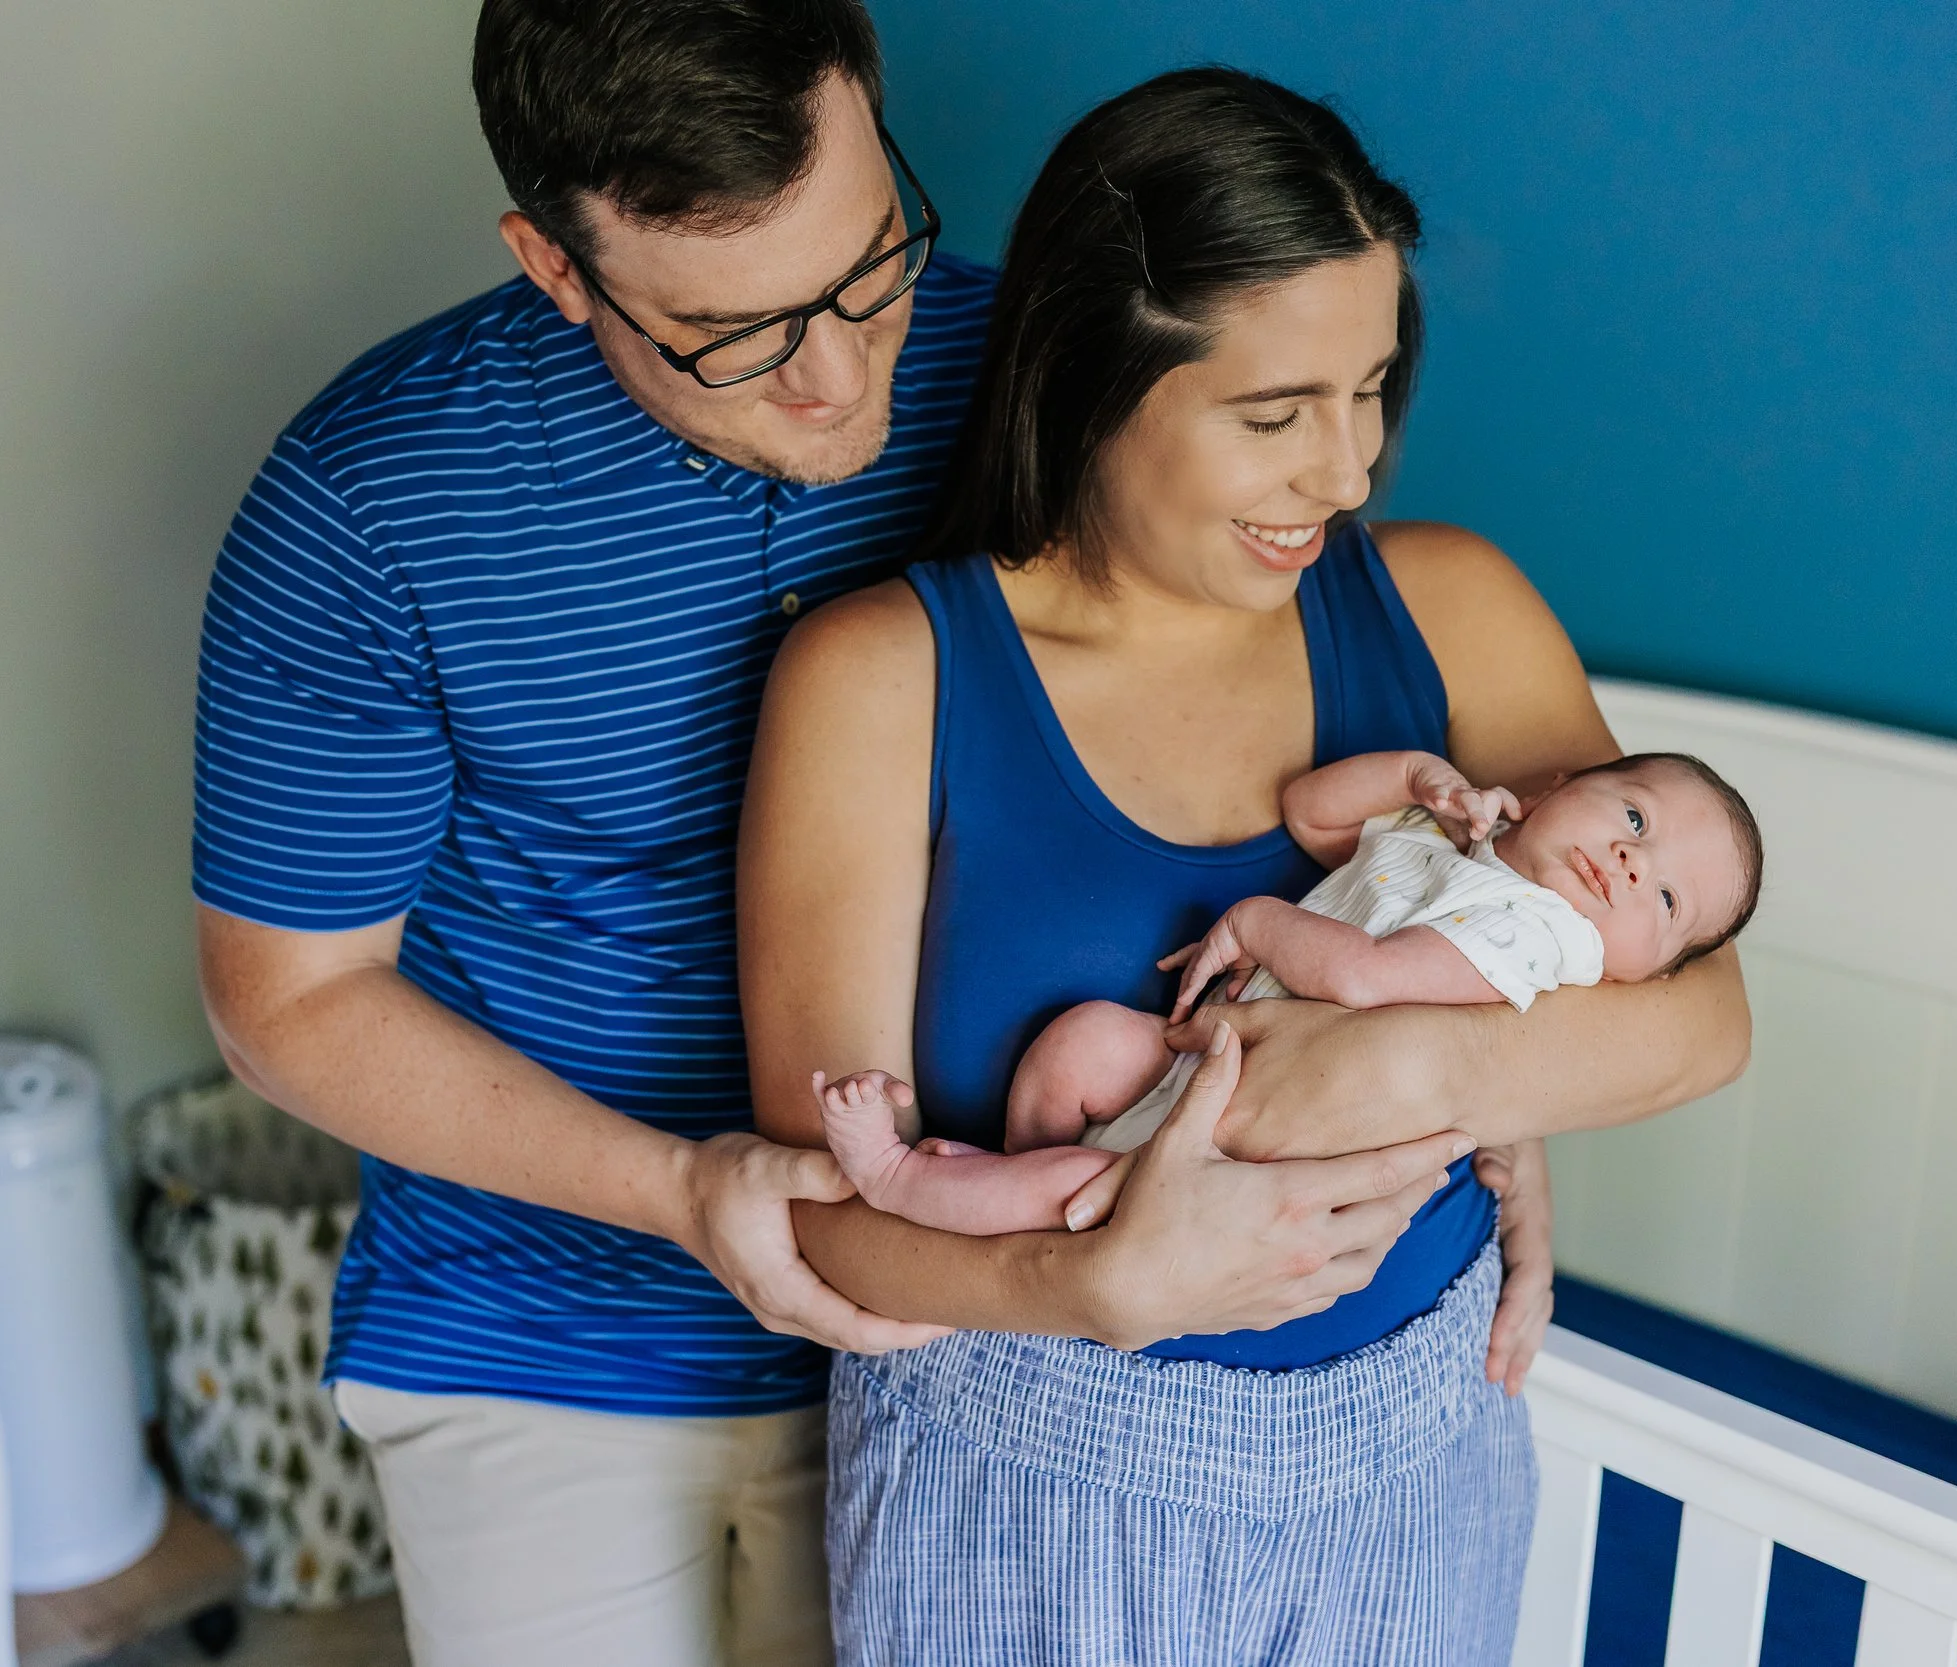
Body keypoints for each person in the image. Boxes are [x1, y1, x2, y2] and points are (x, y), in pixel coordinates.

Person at [188, 6, 1559, 1665]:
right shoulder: (367, 506)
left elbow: (1238, 712)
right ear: (558, 267)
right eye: (734, 335)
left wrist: (1471, 1080)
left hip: (984, 1337)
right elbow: (290, 998)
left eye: (869, 264)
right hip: (551, 1329)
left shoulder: (1043, 375)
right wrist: (686, 1188)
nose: (844, 376)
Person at [737, 68, 1753, 1662]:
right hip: (1027, 1458)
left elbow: (1702, 1019)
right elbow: (818, 1216)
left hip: (1414, 1446)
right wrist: (1096, 1284)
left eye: (1371, 390)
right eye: (1275, 415)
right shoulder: (885, 678)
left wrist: (1412, 1065)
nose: (1346, 473)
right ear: (1092, 378)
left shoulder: (1449, 602)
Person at [811, 749, 1763, 1235]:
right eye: (1634, 814)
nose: (1634, 863)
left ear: (1642, 973)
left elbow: (1364, 978)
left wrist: (1257, 923)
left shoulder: (1541, 936)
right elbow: (1311, 809)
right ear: (1557, 785)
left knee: (1082, 1189)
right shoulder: (1452, 844)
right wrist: (1418, 777)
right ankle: (998, 1180)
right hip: (1209, 1056)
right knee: (1085, 1044)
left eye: (1669, 898)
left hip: (1243, 1134)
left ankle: (902, 1182)